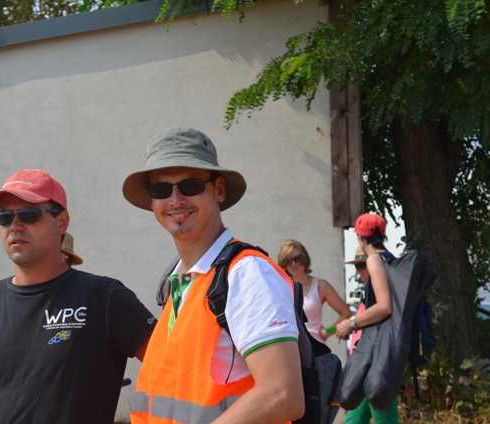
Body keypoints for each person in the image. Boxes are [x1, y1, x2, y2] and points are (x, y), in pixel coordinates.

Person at [0, 169, 157, 424]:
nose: (15, 225)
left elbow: (171, 367)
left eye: (29, 214)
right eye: (4, 217)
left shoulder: (105, 298)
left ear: (62, 222)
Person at [123, 127, 304, 423]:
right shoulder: (178, 283)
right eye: (161, 190)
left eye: (191, 185)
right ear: (152, 201)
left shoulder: (246, 273)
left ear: (219, 190)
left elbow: (282, 395)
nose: (175, 199)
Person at [335, 213, 399, 424]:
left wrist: (351, 323)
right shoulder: (392, 260)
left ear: (361, 238)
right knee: (354, 420)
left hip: (377, 356)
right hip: (383, 351)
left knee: (385, 420)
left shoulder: (374, 260)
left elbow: (384, 306)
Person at [277, 239, 351, 344]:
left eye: (297, 259)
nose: (293, 264)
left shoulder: (320, 286)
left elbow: (346, 313)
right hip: (290, 347)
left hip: (315, 348)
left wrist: (327, 332)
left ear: (305, 259)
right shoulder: (281, 288)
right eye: (288, 260)